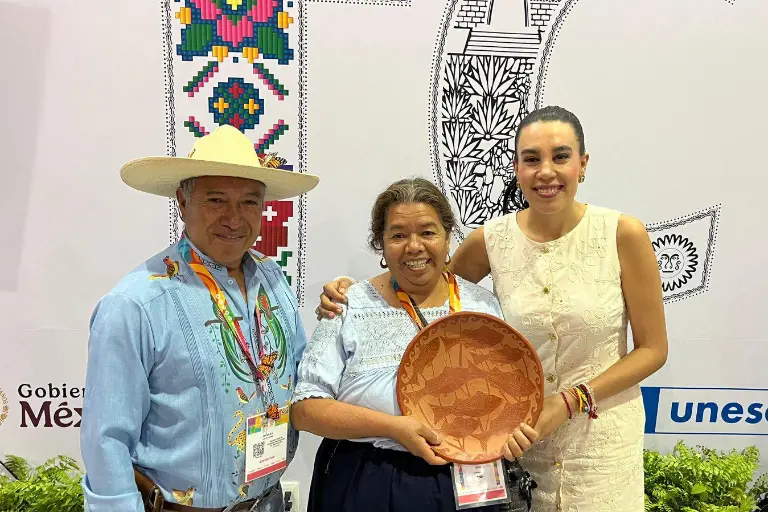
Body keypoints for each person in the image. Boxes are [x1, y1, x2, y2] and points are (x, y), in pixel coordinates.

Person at [315, 106, 669, 512]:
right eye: (531, 159)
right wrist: (353, 292)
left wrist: (569, 401)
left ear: (583, 164)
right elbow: (424, 280)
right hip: (517, 441)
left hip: (599, 440)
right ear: (516, 168)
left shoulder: (622, 233)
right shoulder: (491, 240)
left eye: (561, 156)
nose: (546, 171)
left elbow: (653, 349)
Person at [80, 125, 319, 512]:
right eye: (216, 200)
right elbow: (106, 441)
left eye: (249, 202)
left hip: (270, 502)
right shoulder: (136, 304)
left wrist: (345, 310)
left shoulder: (273, 278)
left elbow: (304, 373)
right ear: (182, 201)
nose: (234, 218)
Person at [291, 178, 526, 512]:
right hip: (367, 479)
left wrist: (514, 429)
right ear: (381, 244)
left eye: (428, 232)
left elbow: (509, 393)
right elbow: (305, 410)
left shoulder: (483, 305)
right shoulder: (348, 305)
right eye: (398, 235)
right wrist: (393, 428)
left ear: (448, 237)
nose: (414, 246)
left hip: (469, 479)